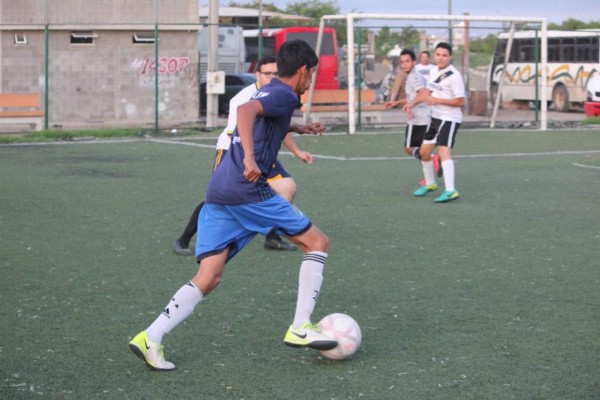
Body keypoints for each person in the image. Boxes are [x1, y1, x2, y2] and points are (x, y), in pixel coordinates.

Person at [129, 40, 337, 371]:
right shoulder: (284, 93)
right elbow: (245, 112)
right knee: (318, 243)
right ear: (303, 70)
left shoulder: (271, 91)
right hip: (247, 189)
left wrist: (298, 127)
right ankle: (300, 326)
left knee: (209, 275)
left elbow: (262, 119)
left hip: (220, 190)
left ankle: (150, 337)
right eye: (312, 73)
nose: (311, 80)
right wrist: (252, 159)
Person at [172, 56, 320, 256]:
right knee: (218, 198)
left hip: (259, 151)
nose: (272, 77)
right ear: (257, 74)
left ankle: (272, 236)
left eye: (275, 73)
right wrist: (249, 159)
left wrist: (298, 135)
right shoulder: (245, 97)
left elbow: (273, 125)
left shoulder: (276, 93)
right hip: (233, 150)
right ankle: (184, 239)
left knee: (287, 187)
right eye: (267, 73)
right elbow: (243, 128)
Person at [405, 42, 465, 203]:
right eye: (438, 55)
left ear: (450, 57)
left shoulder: (454, 75)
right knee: (424, 153)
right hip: (435, 118)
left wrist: (438, 100)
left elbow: (460, 102)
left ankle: (451, 190)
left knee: (443, 152)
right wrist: (411, 104)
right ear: (434, 56)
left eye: (444, 55)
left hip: (449, 118)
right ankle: (430, 184)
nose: (441, 58)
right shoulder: (432, 71)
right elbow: (427, 93)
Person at [384, 49, 438, 185]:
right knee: (421, 150)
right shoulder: (412, 76)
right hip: (421, 118)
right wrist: (397, 102)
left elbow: (423, 94)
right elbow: (412, 97)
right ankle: (429, 176)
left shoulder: (414, 76)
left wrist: (411, 105)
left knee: (409, 148)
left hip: (419, 119)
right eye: (402, 62)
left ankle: (433, 160)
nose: (404, 64)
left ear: (414, 62)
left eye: (407, 61)